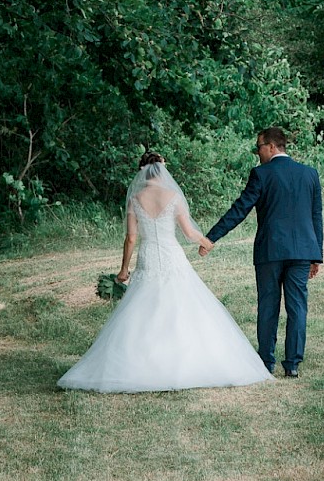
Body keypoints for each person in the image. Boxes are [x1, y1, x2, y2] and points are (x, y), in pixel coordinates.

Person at [57, 152, 272, 393]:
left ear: (142, 170)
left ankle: (143, 363)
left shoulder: (135, 199)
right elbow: (189, 233)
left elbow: (130, 238)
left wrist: (123, 269)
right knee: (182, 305)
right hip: (172, 256)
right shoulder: (173, 196)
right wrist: (207, 242)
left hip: (148, 256)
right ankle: (186, 360)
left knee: (142, 307)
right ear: (162, 170)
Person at [198, 126, 323, 378]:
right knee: (298, 307)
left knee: (268, 306)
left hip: (270, 250)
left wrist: (212, 237)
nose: (258, 152)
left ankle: (266, 362)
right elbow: (316, 216)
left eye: (259, 147)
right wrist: (316, 254)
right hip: (302, 251)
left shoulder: (261, 174)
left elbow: (240, 209)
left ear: (272, 147)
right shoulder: (309, 174)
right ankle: (293, 366)